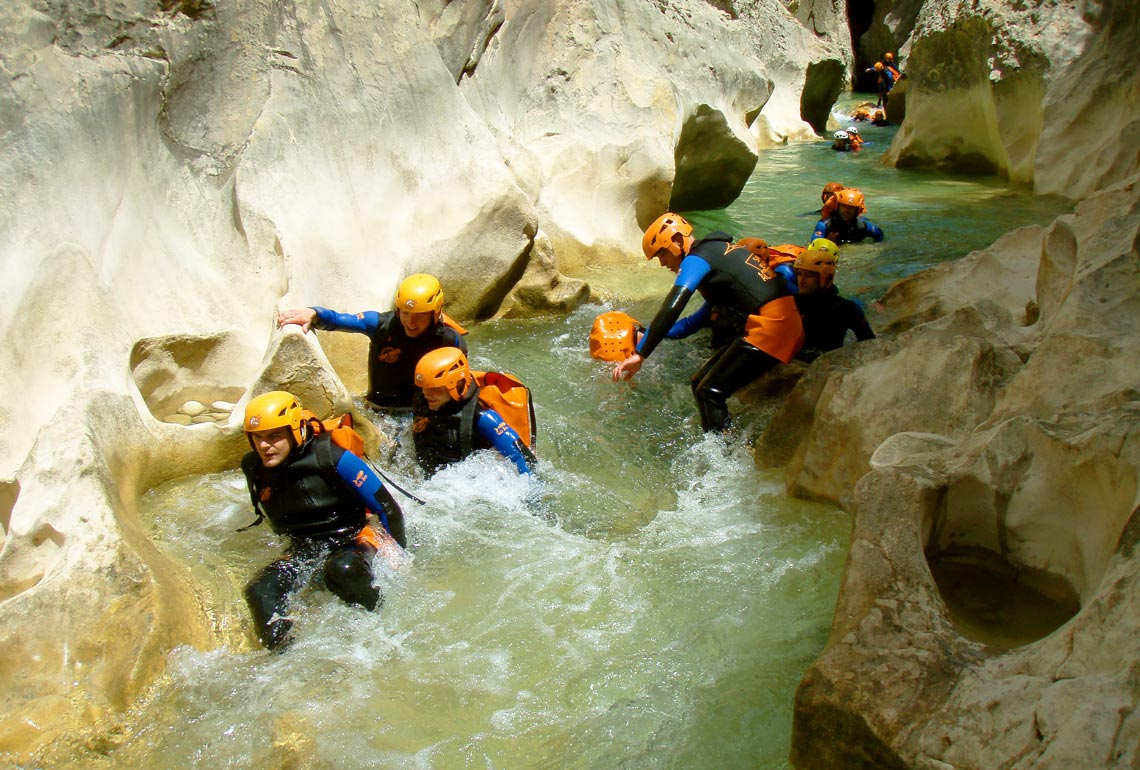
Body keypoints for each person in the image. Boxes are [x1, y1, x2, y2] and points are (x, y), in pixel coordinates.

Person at [240, 391, 407, 651]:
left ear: (294, 432)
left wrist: (398, 554)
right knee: (259, 591)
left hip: (353, 535)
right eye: (258, 438)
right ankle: (286, 659)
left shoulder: (333, 456)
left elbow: (387, 507)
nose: (264, 446)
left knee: (342, 570)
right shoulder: (253, 466)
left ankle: (383, 630)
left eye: (274, 436)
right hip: (304, 546)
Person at [613, 213, 804, 432]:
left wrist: (641, 354)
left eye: (662, 254)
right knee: (698, 382)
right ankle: (718, 435)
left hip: (774, 326)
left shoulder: (698, 257)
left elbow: (674, 304)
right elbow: (691, 322)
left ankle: (724, 456)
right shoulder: (718, 250)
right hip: (778, 322)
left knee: (709, 392)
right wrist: (646, 334)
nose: (663, 263)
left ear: (676, 241)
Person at [277, 274, 467, 408]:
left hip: (421, 410)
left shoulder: (449, 340)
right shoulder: (380, 325)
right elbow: (339, 319)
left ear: (435, 314)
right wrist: (314, 313)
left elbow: (460, 383)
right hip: (378, 407)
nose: (410, 322)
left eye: (419, 316)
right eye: (405, 313)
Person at [412, 347, 537, 475]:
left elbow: (522, 458)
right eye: (424, 387)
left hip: (458, 483)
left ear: (455, 385)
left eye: (435, 388)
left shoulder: (483, 418)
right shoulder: (421, 399)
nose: (426, 394)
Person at [793, 249, 875, 360]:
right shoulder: (790, 303)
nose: (801, 281)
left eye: (808, 275)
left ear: (825, 277)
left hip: (828, 365)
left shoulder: (846, 308)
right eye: (799, 274)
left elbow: (870, 344)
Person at [812, 188, 884, 244]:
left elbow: (880, 236)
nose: (847, 211)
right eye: (844, 206)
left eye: (851, 208)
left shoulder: (863, 225)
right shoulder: (824, 225)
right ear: (837, 206)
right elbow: (813, 245)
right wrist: (826, 241)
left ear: (857, 210)